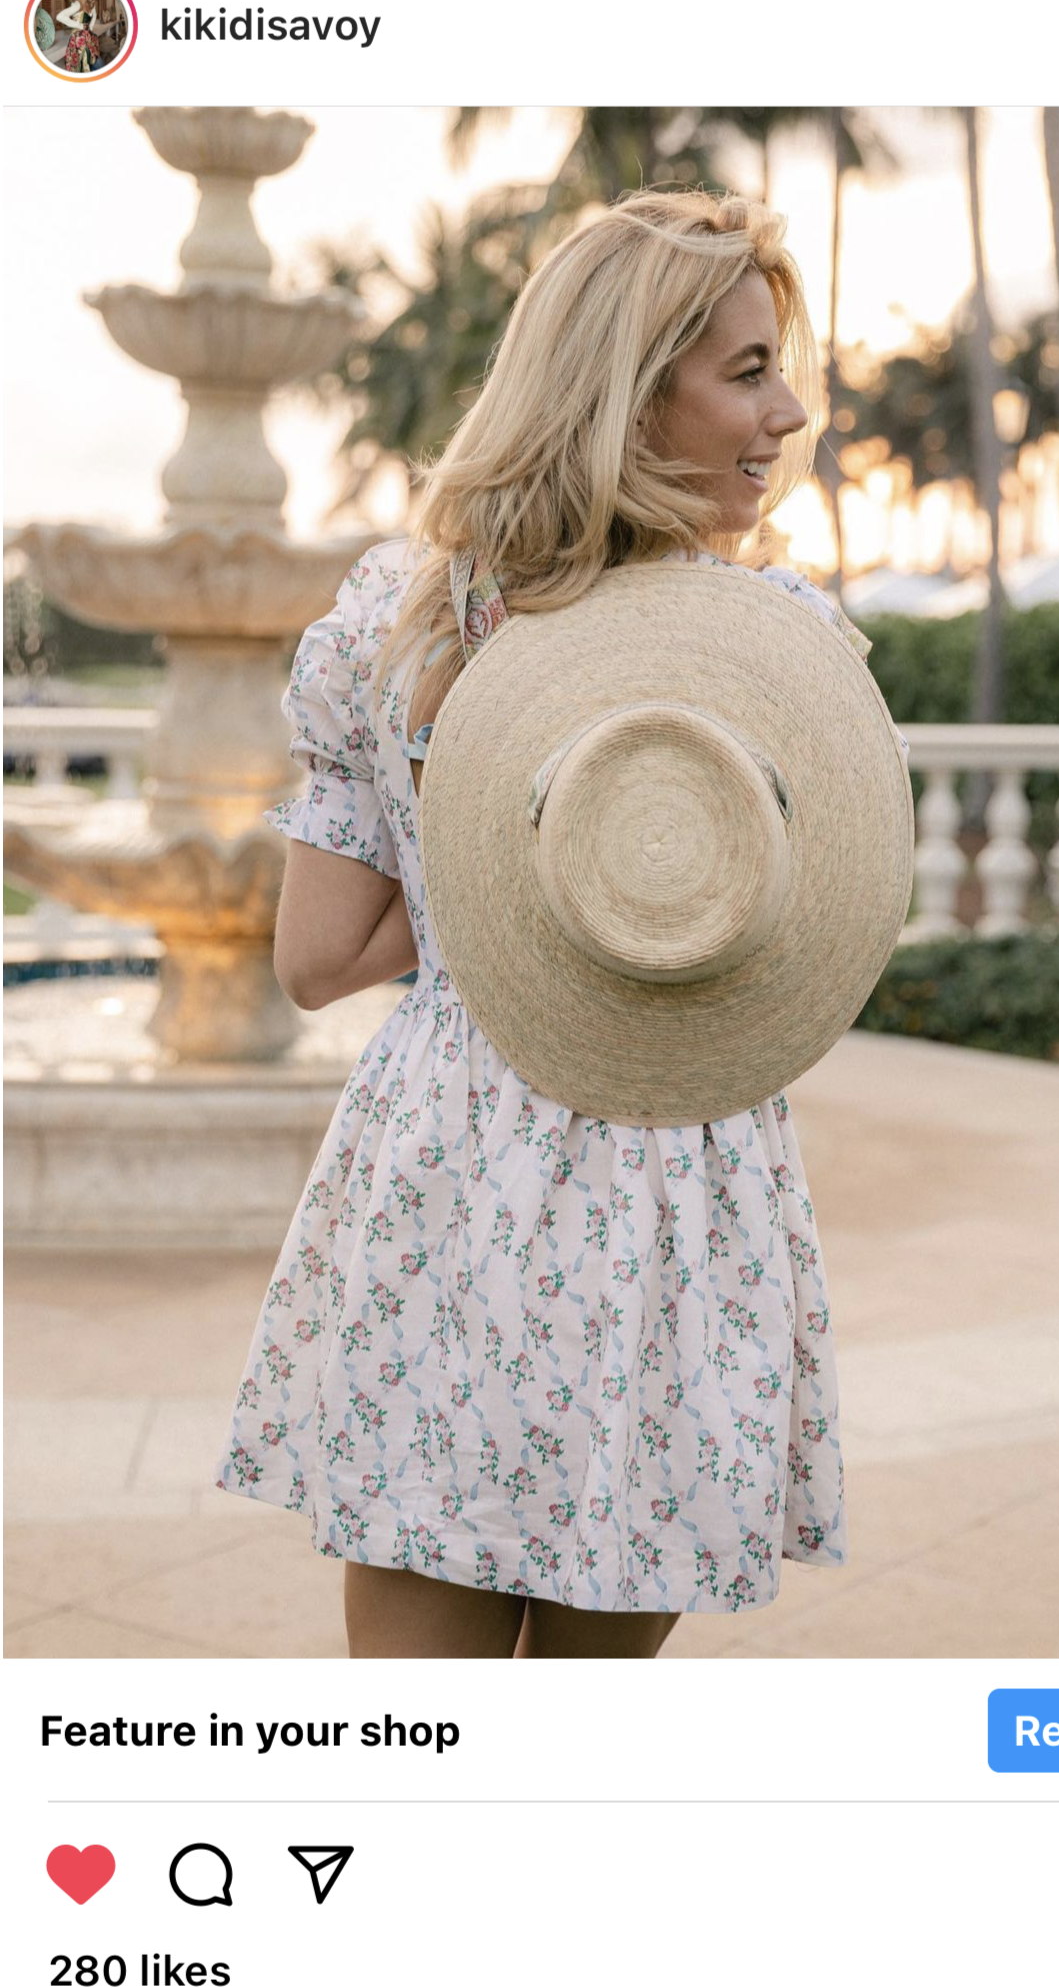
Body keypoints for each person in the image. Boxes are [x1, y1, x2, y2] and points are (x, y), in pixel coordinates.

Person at [216, 187, 890, 1660]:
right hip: (670, 1169)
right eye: (749, 370)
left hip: (450, 1164)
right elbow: (798, 940)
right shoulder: (772, 652)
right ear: (628, 392)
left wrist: (480, 909)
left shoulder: (398, 631)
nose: (788, 413)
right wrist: (599, 901)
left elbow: (318, 962)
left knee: (415, 1740)